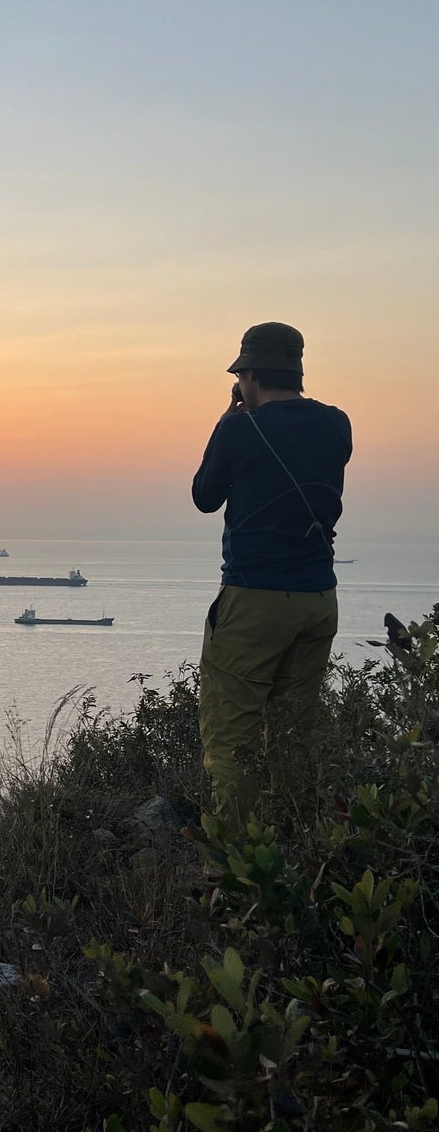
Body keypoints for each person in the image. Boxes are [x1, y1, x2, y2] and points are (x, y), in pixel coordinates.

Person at [191, 323, 352, 818]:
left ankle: (239, 853)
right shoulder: (337, 423)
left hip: (254, 598)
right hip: (318, 597)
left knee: (230, 740)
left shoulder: (238, 428)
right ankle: (301, 838)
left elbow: (205, 496)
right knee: (294, 732)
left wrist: (227, 421)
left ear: (250, 376)